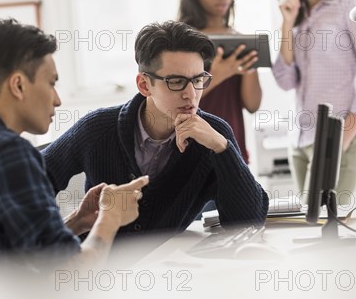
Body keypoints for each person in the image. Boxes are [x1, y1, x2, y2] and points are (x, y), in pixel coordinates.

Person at [0, 18, 149, 266]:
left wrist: (78, 222)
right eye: (51, 83)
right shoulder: (9, 154)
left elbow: (12, 248)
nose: (58, 100)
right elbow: (73, 274)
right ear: (18, 85)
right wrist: (110, 217)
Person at [42, 20, 268, 235]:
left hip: (169, 270)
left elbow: (249, 222)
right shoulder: (97, 129)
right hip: (102, 266)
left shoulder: (214, 135)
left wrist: (221, 147)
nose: (191, 94)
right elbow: (33, 178)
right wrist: (60, 232)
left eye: (198, 80)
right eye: (176, 82)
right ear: (144, 84)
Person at [270, 0, 356, 204]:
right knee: (311, 230)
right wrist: (286, 23)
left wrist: (340, 139)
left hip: (337, 138)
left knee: (325, 231)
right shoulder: (296, 13)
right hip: (299, 142)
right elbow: (285, 81)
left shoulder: (350, 3)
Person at [178, 0, 262, 164]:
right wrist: (219, 74)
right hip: (191, 152)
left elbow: (252, 105)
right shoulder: (180, 40)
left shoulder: (239, 39)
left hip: (231, 150)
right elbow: (173, 101)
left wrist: (249, 66)